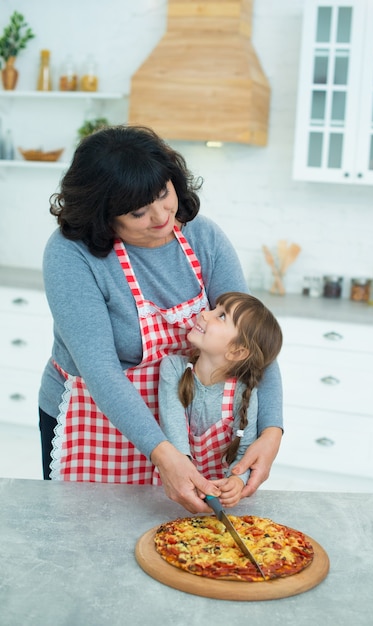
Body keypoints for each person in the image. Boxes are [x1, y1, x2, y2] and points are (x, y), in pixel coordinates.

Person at [38, 125, 283, 513]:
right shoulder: (71, 255)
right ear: (102, 214)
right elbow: (101, 370)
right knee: (87, 545)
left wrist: (272, 430)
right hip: (100, 423)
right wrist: (164, 455)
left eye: (163, 194)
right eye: (138, 212)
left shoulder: (203, 236)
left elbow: (253, 337)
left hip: (187, 428)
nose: (162, 216)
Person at [158, 292, 283, 507]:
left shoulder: (244, 392)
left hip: (221, 505)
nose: (205, 314)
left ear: (237, 351)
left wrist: (236, 480)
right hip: (177, 495)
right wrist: (190, 481)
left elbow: (244, 453)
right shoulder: (172, 369)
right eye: (215, 309)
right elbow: (176, 442)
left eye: (222, 316)